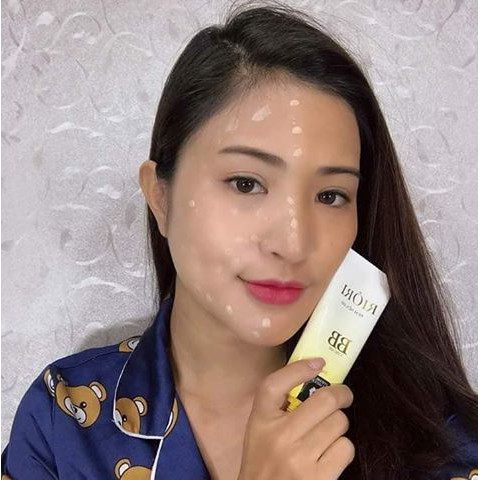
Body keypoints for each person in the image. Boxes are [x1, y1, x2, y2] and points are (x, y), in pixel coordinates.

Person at [1, 2, 477, 479]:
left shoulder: (443, 438)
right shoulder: (63, 420)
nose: (293, 244)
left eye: (331, 195)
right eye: (246, 184)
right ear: (160, 197)